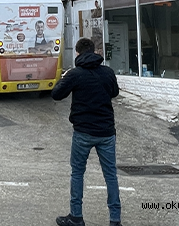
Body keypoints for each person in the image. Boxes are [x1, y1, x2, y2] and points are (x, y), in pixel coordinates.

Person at [52, 38, 122, 226]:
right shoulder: (107, 72)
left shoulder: (75, 74)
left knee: (77, 173)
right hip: (106, 132)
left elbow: (56, 94)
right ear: (94, 52)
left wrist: (64, 77)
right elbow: (114, 92)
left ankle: (76, 216)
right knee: (110, 175)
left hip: (83, 132)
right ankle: (115, 219)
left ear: (78, 53)